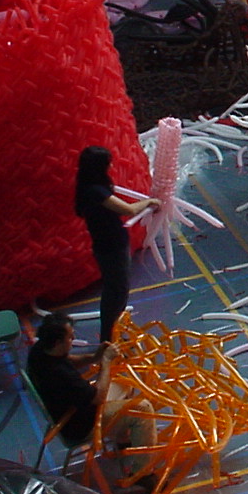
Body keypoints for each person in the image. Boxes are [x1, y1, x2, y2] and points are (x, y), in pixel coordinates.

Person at [26, 310, 157, 493]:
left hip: (70, 410)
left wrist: (95, 357)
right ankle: (142, 474)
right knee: (143, 410)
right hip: (81, 425)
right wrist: (106, 361)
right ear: (57, 342)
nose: (73, 340)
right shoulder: (60, 375)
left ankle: (123, 440)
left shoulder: (41, 351)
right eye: (70, 338)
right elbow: (98, 397)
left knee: (125, 384)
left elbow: (69, 360)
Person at [75, 145, 158, 348]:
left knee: (118, 291)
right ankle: (109, 339)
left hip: (109, 243)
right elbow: (128, 209)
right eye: (108, 163)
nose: (111, 166)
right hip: (111, 246)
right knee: (116, 293)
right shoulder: (95, 191)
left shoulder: (89, 187)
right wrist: (149, 202)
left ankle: (114, 334)